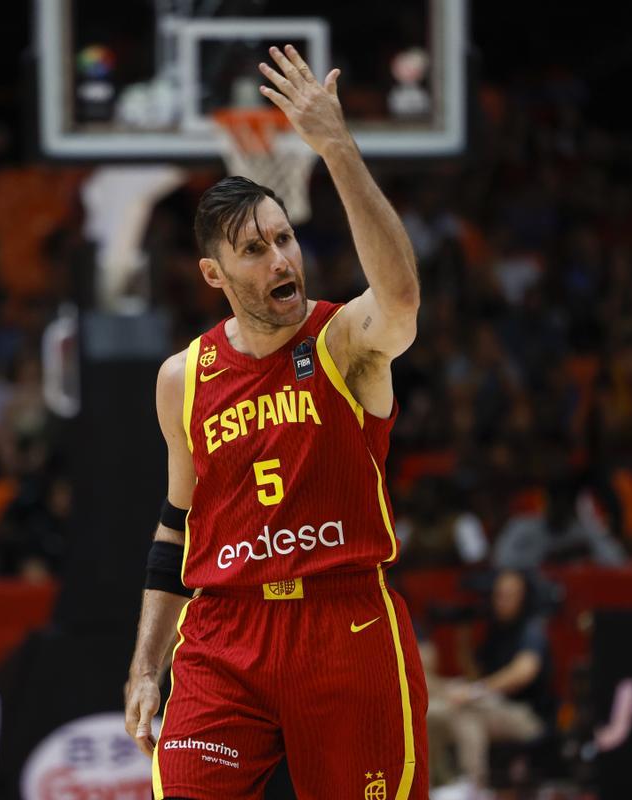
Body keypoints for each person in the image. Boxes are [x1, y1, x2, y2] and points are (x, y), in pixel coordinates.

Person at [124, 45, 428, 799]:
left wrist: (337, 148)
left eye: (284, 238)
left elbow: (400, 299)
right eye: (254, 250)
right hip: (226, 635)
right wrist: (145, 665)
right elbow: (175, 527)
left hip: (342, 623)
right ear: (214, 276)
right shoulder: (181, 379)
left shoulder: (342, 342)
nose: (277, 258)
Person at [426, 570, 553, 793]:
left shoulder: (531, 628)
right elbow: (476, 675)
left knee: (465, 710)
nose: (501, 601)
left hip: (528, 715)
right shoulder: (494, 629)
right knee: (432, 712)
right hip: (491, 707)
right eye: (498, 595)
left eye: (509, 595)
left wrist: (476, 691)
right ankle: (432, 782)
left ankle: (474, 785)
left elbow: (523, 672)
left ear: (524, 597)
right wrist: (463, 637)